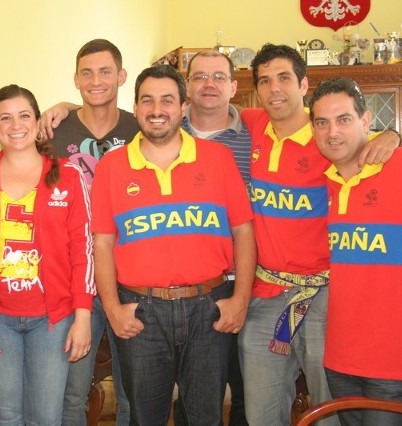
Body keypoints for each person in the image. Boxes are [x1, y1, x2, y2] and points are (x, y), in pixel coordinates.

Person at [238, 43, 401, 426]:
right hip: (265, 295)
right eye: (264, 81)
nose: (275, 88)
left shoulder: (331, 136)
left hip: (327, 297)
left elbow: (380, 147)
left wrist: (393, 134)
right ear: (256, 91)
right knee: (260, 413)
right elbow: (202, 110)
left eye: (284, 78)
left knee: (329, 413)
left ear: (304, 84)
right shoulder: (251, 124)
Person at [91, 64, 256, 425]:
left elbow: (243, 231)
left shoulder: (217, 159)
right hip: (141, 312)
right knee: (144, 417)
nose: (156, 109)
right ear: (134, 108)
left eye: (167, 100)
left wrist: (240, 299)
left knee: (205, 418)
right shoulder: (112, 166)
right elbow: (102, 244)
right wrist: (113, 308)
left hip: (208, 309)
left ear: (184, 106)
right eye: (147, 100)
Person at [0, 84, 95, 425]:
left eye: (24, 116)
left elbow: (83, 250)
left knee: (47, 418)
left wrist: (83, 316)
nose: (16, 125)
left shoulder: (69, 176)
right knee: (5, 417)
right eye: (5, 118)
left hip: (54, 320)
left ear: (37, 121)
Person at [309, 77, 402, 426]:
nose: (333, 132)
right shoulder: (324, 183)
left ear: (365, 121)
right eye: (321, 122)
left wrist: (399, 138)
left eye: (343, 119)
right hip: (340, 357)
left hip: (395, 360)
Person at [43, 38, 134, 426]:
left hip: (130, 278)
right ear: (76, 79)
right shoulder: (54, 130)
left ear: (121, 76)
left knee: (134, 391)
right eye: (87, 73)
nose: (96, 80)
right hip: (72, 281)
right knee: (72, 391)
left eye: (105, 71)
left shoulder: (141, 127)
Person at [174, 49, 252, 426]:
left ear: (234, 87)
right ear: (186, 86)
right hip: (189, 286)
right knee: (193, 390)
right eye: (200, 76)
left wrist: (392, 134)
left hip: (247, 280)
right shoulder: (163, 128)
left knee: (245, 386)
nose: (209, 84)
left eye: (219, 77)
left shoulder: (257, 131)